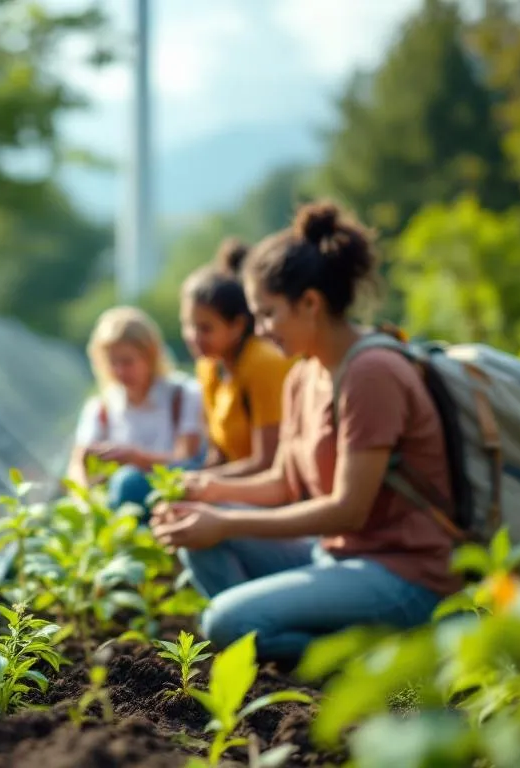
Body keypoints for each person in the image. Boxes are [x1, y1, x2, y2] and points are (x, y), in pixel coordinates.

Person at [151, 202, 458, 664]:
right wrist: (206, 492)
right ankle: (271, 643)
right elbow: (283, 483)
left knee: (224, 622)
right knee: (201, 544)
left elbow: (347, 512)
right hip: (335, 558)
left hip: (404, 574)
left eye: (268, 314)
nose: (261, 329)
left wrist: (226, 519)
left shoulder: (372, 372)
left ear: (311, 303)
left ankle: (379, 660)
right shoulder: (302, 375)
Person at [180, 238, 295, 479]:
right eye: (188, 326)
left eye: (205, 328)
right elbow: (217, 455)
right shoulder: (208, 367)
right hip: (231, 480)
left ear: (237, 325)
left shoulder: (261, 363)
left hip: (262, 487)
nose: (194, 337)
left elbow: (268, 462)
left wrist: (204, 484)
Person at [67, 306, 205, 507]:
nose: (120, 371)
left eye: (127, 361)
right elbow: (77, 464)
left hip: (175, 501)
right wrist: (86, 496)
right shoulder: (101, 408)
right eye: (113, 362)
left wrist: (136, 458)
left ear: (150, 356)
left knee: (128, 482)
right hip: (122, 510)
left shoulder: (183, 395)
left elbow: (186, 458)